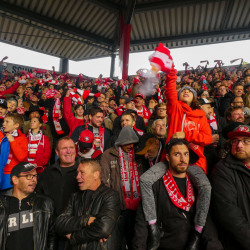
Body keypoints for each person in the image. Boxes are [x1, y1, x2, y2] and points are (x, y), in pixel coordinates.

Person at [139, 63, 213, 250]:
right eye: (183, 90)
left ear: (195, 98)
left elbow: (207, 138)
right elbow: (171, 89)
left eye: (190, 91)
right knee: (146, 180)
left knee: (205, 187)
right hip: (169, 160)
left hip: (193, 162)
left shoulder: (201, 116)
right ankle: (153, 226)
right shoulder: (175, 108)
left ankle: (197, 233)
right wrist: (171, 72)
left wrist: (186, 136)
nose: (186, 92)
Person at [133, 139, 222, 250]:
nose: (182, 159)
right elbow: (141, 224)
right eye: (177, 154)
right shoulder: (156, 185)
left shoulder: (198, 187)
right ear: (168, 158)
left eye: (186, 154)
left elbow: (207, 222)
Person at [55, 159, 120, 250]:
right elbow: (59, 224)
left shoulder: (111, 196)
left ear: (96, 175)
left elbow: (103, 229)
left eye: (82, 173)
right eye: (78, 173)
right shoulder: (75, 196)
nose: (77, 176)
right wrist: (85, 220)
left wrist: (73, 237)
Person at [101, 126, 148, 250]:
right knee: (118, 242)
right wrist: (111, 203)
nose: (130, 145)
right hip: (118, 207)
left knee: (136, 240)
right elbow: (104, 180)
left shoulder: (140, 154)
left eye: (133, 143)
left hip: (137, 207)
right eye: (127, 143)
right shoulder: (108, 154)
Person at [0, 162, 56, 250]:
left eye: (35, 176)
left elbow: (52, 236)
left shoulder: (45, 202)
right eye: (29, 176)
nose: (34, 180)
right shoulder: (1, 205)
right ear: (15, 180)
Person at [211, 124, 250, 249]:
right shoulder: (221, 170)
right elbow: (230, 215)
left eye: (245, 141)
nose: (239, 145)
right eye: (235, 141)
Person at [36, 136, 79, 249]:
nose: (69, 151)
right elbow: (39, 198)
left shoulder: (83, 170)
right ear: (57, 152)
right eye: (64, 148)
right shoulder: (47, 172)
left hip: (76, 232)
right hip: (51, 233)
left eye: (71, 147)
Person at [0, 113, 28, 194]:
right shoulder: (2, 137)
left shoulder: (22, 138)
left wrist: (12, 141)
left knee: (7, 199)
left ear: (16, 125)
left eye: (7, 122)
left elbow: (21, 157)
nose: (3, 123)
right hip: (1, 172)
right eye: (4, 121)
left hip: (11, 174)